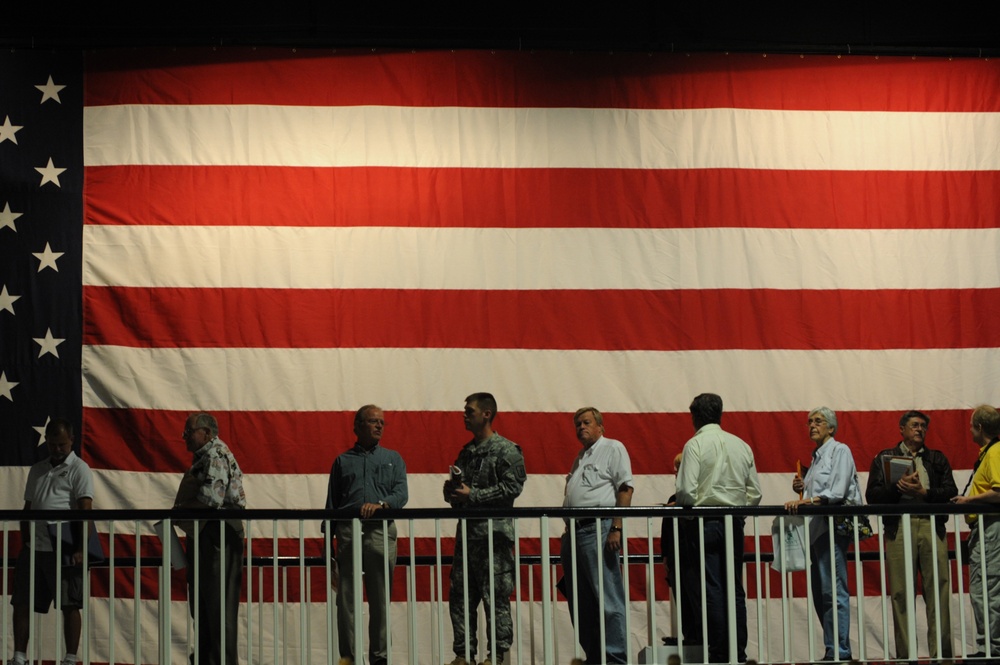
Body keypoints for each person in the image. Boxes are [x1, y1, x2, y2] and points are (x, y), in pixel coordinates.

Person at [674, 393, 762, 663]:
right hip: (732, 521)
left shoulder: (695, 444)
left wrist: (689, 513)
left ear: (695, 417)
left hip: (703, 521)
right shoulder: (741, 445)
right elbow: (755, 493)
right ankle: (737, 651)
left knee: (711, 587)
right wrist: (735, 511)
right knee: (734, 588)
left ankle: (720, 653)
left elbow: (687, 493)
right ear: (720, 414)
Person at [864, 410, 957, 661]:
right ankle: (906, 657)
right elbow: (872, 497)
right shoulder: (884, 457)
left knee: (938, 591)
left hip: (930, 525)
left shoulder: (937, 458)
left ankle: (942, 657)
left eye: (923, 426)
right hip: (899, 528)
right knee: (901, 594)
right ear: (902, 429)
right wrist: (897, 488)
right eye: (915, 425)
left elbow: (950, 491)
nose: (920, 430)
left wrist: (924, 492)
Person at [443, 393, 526, 665]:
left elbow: (513, 488)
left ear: (487, 414)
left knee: (495, 598)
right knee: (460, 598)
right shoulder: (466, 452)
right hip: (467, 537)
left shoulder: (507, 450)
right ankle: (463, 654)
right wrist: (452, 492)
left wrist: (473, 495)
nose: (464, 415)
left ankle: (498, 655)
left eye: (469, 410)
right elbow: (461, 490)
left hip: (494, 537)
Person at [325, 405, 408, 665]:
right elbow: (332, 504)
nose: (379, 426)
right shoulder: (342, 461)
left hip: (380, 532)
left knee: (380, 599)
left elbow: (401, 494)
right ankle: (347, 656)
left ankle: (379, 658)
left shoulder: (394, 458)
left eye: (382, 422)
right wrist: (328, 546)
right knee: (346, 599)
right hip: (348, 532)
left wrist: (382, 505)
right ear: (358, 426)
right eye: (373, 421)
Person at [8, 418, 94, 665]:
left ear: (72, 441)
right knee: (21, 601)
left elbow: (86, 509)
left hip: (65, 543)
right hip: (34, 546)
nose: (57, 449)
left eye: (62, 445)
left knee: (69, 603)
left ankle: (69, 658)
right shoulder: (37, 468)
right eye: (52, 444)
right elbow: (27, 507)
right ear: (46, 441)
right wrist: (25, 541)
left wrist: (80, 547)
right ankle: (19, 656)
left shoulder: (80, 469)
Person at [785, 406, 861, 662]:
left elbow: (837, 491)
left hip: (833, 528)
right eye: (809, 421)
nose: (812, 425)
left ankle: (841, 651)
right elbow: (819, 489)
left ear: (831, 427)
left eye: (818, 421)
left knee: (834, 590)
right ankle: (832, 648)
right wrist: (804, 484)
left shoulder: (840, 450)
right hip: (816, 530)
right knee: (820, 593)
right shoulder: (817, 457)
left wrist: (807, 501)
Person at [560, 406, 634, 664]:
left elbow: (625, 488)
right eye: (577, 424)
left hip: (598, 528)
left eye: (586, 422)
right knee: (581, 604)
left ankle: (614, 659)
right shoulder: (580, 458)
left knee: (608, 599)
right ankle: (595, 657)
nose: (581, 427)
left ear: (601, 426)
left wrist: (616, 527)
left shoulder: (612, 448)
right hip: (575, 533)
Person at [173, 413, 247, 665]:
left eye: (188, 431)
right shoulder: (204, 457)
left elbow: (211, 500)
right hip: (207, 533)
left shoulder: (215, 455)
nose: (184, 437)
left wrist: (180, 510)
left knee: (219, 609)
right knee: (203, 606)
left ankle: (221, 661)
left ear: (206, 433)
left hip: (219, 535)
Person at [950, 404, 1000, 659]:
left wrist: (968, 501)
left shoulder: (995, 453)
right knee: (981, 588)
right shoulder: (989, 452)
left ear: (980, 428)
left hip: (992, 526)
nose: (969, 429)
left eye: (971, 425)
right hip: (984, 526)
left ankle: (994, 648)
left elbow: (999, 491)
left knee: (989, 587)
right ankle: (987, 647)